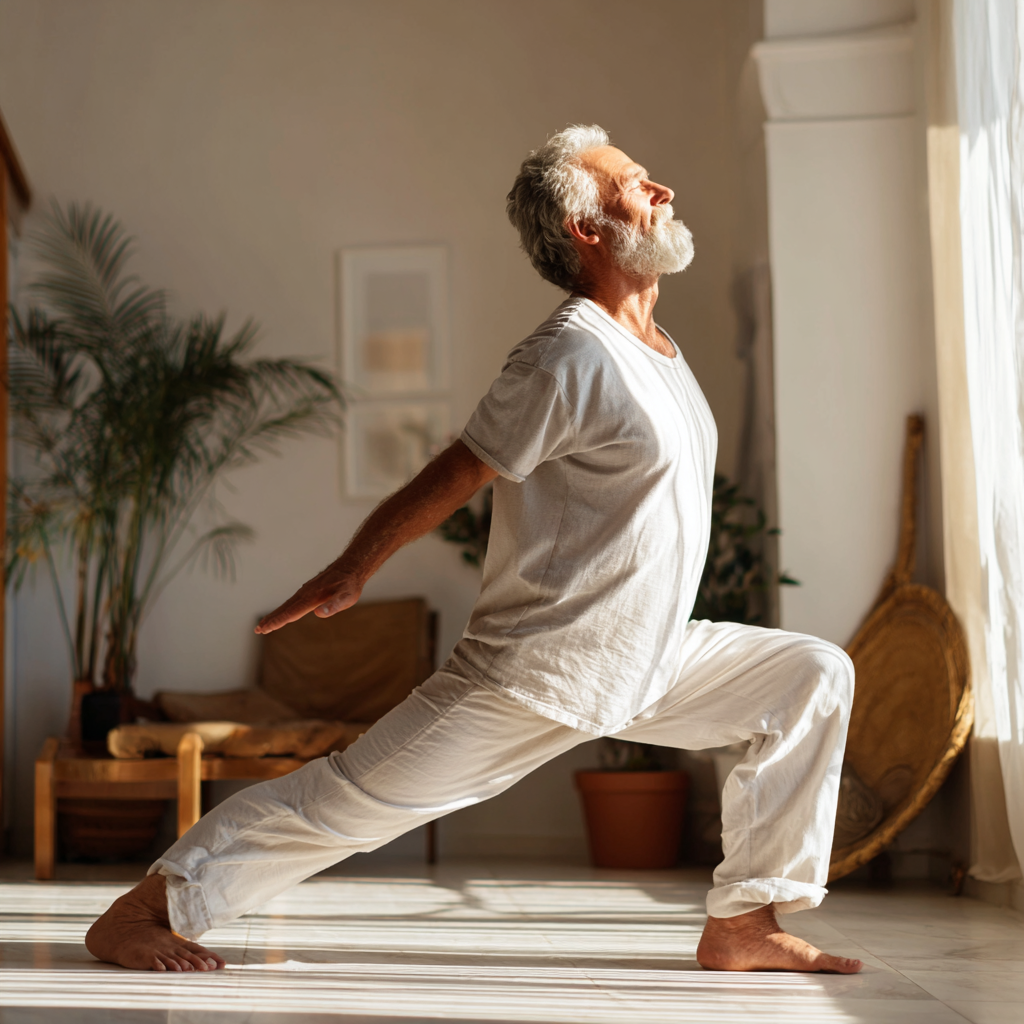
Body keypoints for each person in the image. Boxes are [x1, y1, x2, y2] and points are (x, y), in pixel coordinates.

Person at [86, 125, 861, 975]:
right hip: (541, 668)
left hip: (648, 656)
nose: (662, 191)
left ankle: (747, 920)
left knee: (810, 675)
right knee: (350, 804)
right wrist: (354, 566)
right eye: (636, 184)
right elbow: (461, 468)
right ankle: (141, 910)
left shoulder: (661, 353)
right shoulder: (568, 353)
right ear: (587, 230)